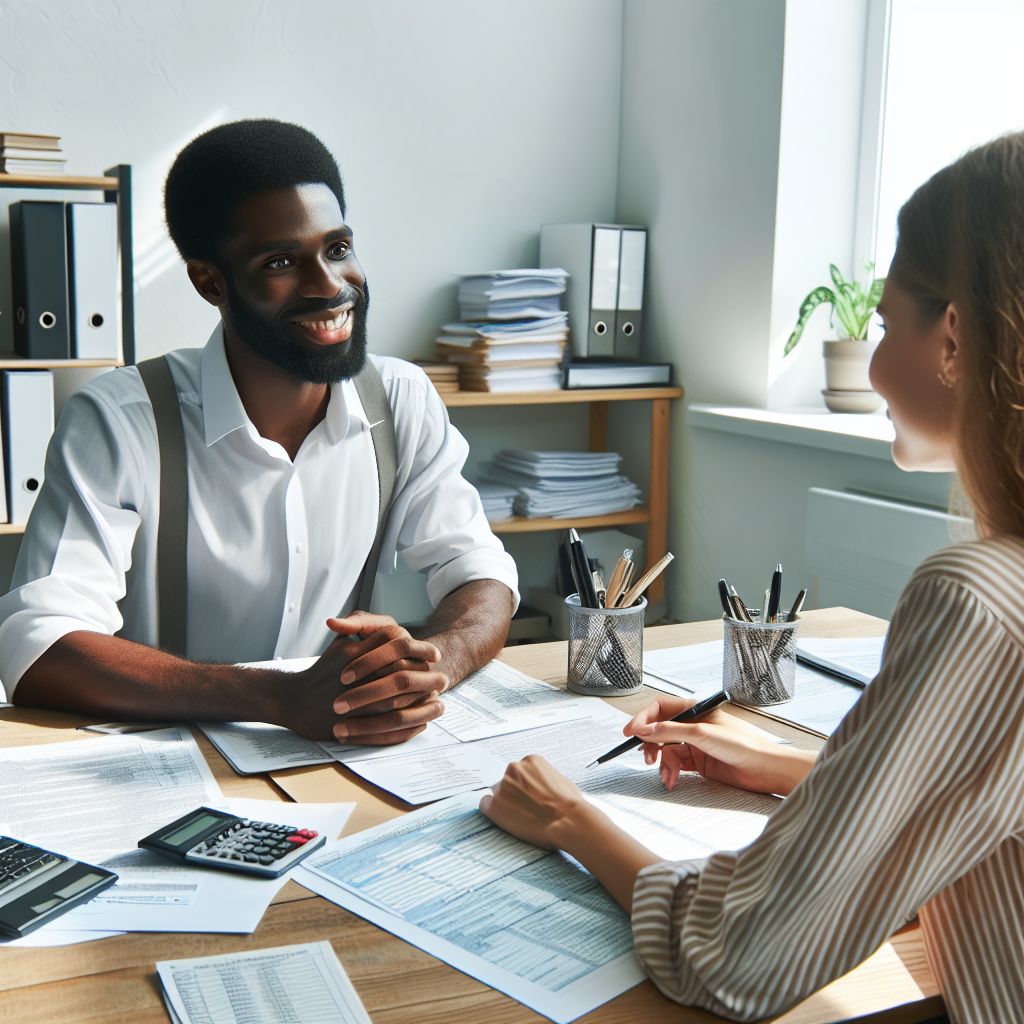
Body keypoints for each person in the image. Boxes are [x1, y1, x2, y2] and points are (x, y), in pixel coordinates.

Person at [481, 132, 1024, 1023]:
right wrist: (785, 766)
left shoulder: (979, 599)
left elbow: (741, 956)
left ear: (954, 338)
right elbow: (982, 794)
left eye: (885, 326)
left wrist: (569, 819)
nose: (872, 361)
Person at [1, 119, 518, 745]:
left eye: (337, 248)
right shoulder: (119, 419)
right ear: (210, 282)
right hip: (163, 758)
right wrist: (277, 697)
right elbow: (38, 642)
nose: (329, 285)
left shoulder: (400, 399)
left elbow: (479, 572)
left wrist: (432, 667)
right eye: (280, 261)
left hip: (333, 752)